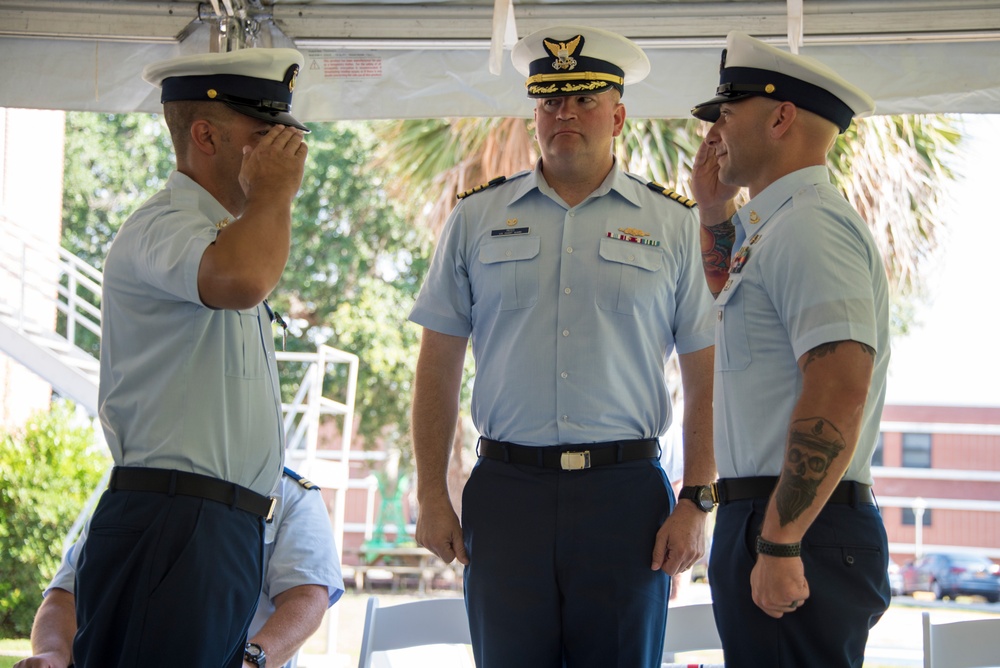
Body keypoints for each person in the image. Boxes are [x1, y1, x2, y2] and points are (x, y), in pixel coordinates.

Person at [409, 25, 716, 668]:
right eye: (550, 100)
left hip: (625, 496)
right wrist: (433, 491)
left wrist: (697, 499)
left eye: (584, 99)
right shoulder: (476, 218)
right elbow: (438, 362)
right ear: (535, 115)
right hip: (506, 492)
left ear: (619, 115)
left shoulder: (673, 224)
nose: (565, 113)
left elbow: (705, 371)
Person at [74, 48, 309, 668]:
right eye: (265, 137)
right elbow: (241, 281)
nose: (286, 157)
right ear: (205, 134)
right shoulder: (164, 226)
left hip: (217, 527)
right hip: (175, 521)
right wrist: (274, 195)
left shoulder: (226, 234)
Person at [689, 31, 892, 668]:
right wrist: (715, 209)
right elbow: (733, 296)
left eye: (727, 112)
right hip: (776, 516)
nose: (715, 131)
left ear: (781, 117)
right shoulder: (779, 224)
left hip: (797, 524)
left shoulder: (810, 225)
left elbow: (838, 386)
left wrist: (779, 542)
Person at [15, 468, 343, 668]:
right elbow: (65, 594)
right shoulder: (132, 489)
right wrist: (52, 653)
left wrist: (251, 660)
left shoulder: (291, 496)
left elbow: (307, 597)